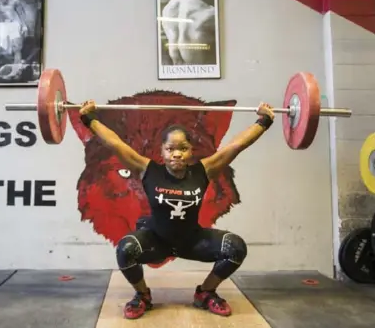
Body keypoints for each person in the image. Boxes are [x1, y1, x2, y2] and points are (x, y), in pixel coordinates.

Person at [78, 100, 275, 319]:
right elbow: (115, 144)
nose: (177, 154)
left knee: (235, 248)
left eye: (183, 148)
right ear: (161, 152)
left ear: (191, 151)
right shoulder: (148, 170)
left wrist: (264, 121)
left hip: (192, 241)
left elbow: (235, 146)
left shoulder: (204, 170)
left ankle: (206, 293)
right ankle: (142, 296)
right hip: (157, 241)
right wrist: (89, 119)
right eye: (170, 149)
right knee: (126, 249)